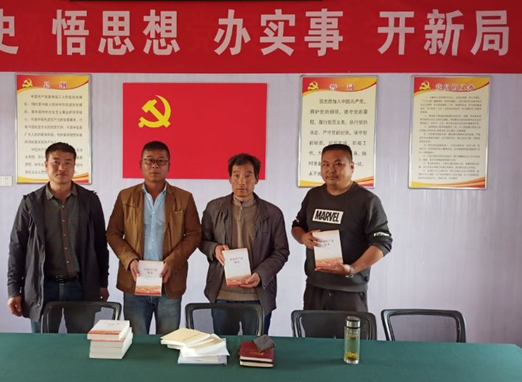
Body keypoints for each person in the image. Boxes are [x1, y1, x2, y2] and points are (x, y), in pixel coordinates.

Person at [7, 142, 109, 332]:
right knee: (43, 345)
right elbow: (17, 247)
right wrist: (14, 289)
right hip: (42, 287)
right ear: (46, 165)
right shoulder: (31, 203)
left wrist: (102, 283)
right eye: (56, 162)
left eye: (68, 162)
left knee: (80, 343)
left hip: (80, 286)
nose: (62, 168)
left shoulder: (89, 201)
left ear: (74, 166)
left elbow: (100, 245)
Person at [107, 141, 201, 335]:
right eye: (149, 161)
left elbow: (194, 234)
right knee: (136, 342)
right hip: (134, 281)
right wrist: (129, 259)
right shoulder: (125, 197)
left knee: (167, 341)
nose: (154, 166)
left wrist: (173, 261)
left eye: (160, 161)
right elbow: (113, 233)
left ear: (168, 165)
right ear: (140, 164)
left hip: (169, 281)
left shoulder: (184, 198)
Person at [291, 144, 392, 312]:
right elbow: (297, 226)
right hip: (315, 288)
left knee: (350, 331)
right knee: (312, 330)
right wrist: (303, 237)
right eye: (325, 164)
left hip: (349, 291)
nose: (331, 169)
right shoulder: (313, 196)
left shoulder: (367, 201)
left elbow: (382, 243)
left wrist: (351, 269)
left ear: (351, 167)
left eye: (338, 164)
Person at [200, 154, 289, 335]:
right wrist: (214, 249)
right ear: (229, 178)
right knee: (223, 347)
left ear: (256, 178)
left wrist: (261, 274)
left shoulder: (272, 213)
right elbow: (201, 240)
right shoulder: (214, 208)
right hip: (222, 293)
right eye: (236, 175)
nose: (242, 181)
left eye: (248, 175)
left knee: (255, 348)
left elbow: (281, 251)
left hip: (257, 294)